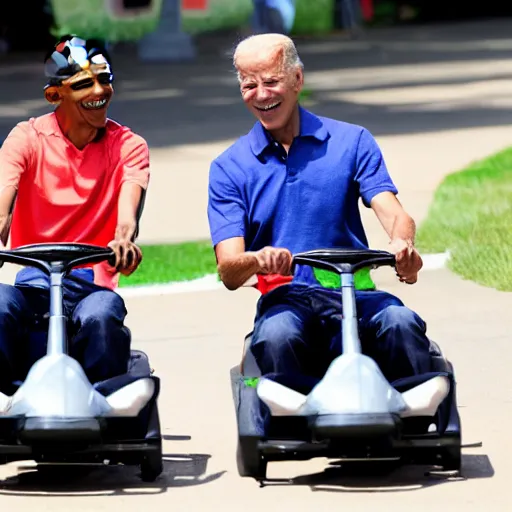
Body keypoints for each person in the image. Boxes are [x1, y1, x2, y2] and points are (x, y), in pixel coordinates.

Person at [207, 33, 433, 431]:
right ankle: (297, 423)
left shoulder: (352, 141)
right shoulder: (229, 168)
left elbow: (393, 213)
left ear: (297, 78)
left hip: (356, 294)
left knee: (401, 322)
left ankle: (414, 419)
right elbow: (229, 268)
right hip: (287, 300)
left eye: (272, 81)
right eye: (248, 85)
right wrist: (258, 259)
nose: (261, 95)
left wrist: (402, 244)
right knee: (277, 334)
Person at [0, 35, 149, 392]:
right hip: (34, 282)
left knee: (102, 314)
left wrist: (123, 241)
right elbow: (2, 208)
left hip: (91, 285)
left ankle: (103, 400)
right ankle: (9, 392)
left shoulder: (129, 145)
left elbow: (128, 213)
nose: (99, 90)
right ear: (55, 96)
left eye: (105, 78)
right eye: (83, 83)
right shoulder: (26, 139)